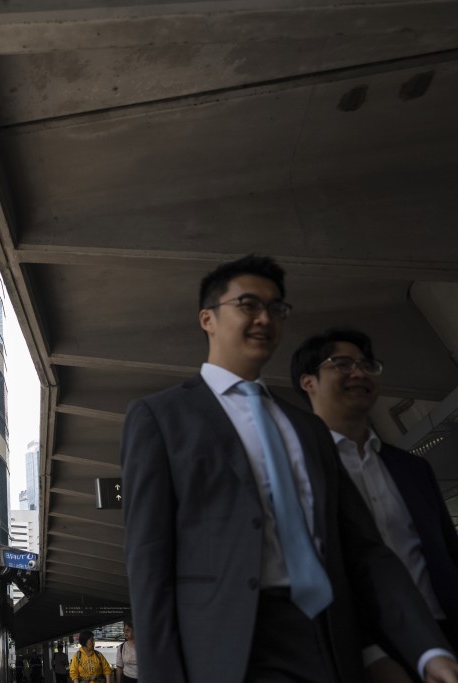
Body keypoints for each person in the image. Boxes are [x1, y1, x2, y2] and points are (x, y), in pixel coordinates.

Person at [120, 254, 458, 683]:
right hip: (229, 648)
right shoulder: (160, 417)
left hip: (328, 639)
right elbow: (149, 562)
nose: (265, 318)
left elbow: (364, 551)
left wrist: (428, 650)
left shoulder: (307, 427)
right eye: (248, 304)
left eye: (276, 308)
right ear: (207, 318)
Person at [292, 328, 458, 675]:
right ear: (309, 382)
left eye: (367, 365)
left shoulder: (412, 469)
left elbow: (448, 550)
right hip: (354, 648)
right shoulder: (296, 470)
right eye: (341, 364)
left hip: (443, 635)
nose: (359, 372)